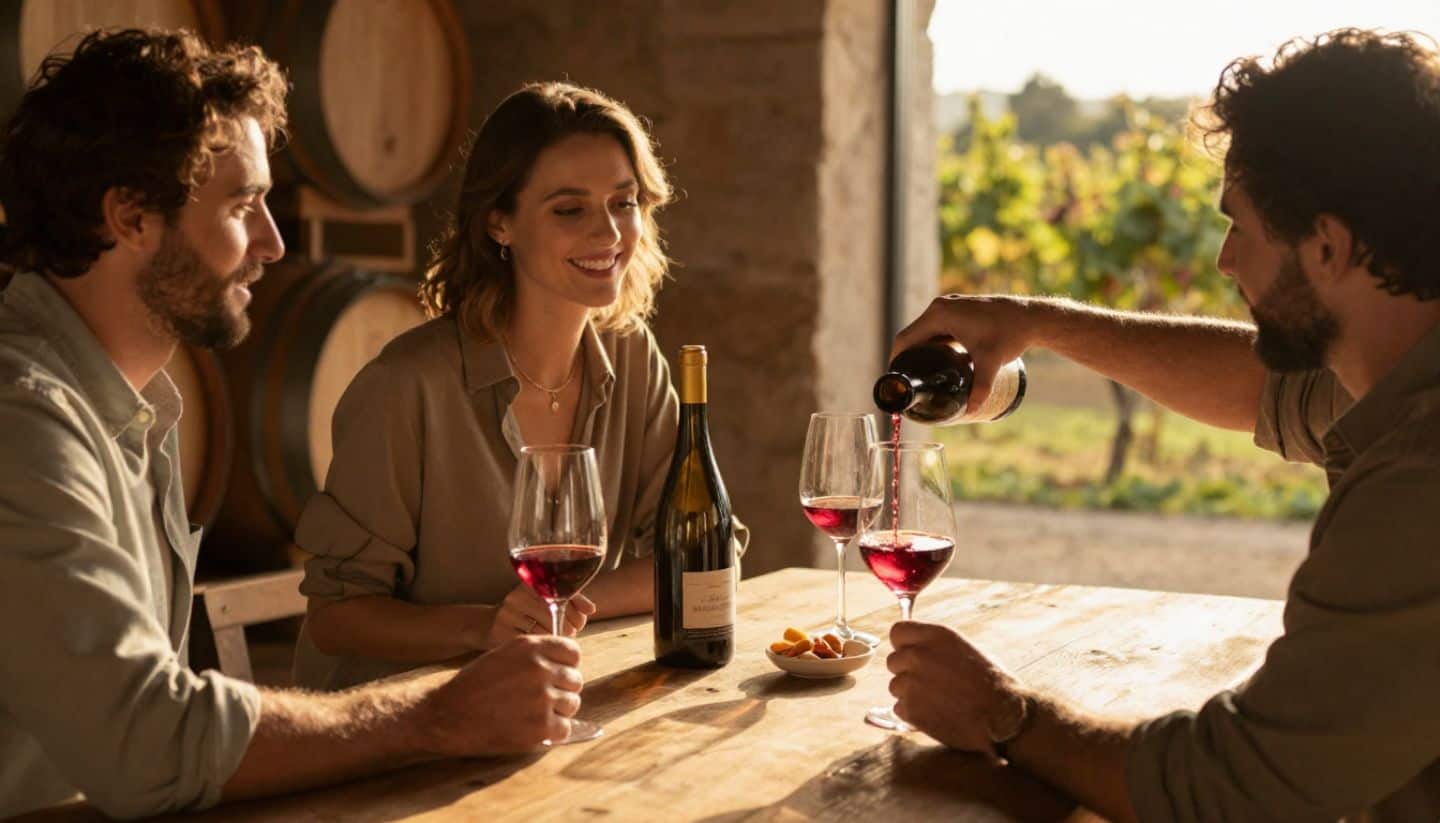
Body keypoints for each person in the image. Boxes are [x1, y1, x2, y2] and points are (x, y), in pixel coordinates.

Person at [0, 29, 581, 819]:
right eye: (242, 206)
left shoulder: (135, 405)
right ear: (130, 217)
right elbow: (147, 738)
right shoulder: (25, 419)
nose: (273, 243)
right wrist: (440, 715)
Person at [885, 28, 1440, 822]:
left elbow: (1237, 786)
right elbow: (1264, 388)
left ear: (1328, 246)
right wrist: (1033, 321)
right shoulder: (1400, 379)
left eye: (1239, 227)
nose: (1222, 260)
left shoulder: (1420, 479)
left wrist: (1002, 712)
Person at [292, 81, 745, 691]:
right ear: (499, 223)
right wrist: (484, 627)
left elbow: (706, 561)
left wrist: (556, 612)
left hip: (535, 704)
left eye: (624, 202)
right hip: (392, 730)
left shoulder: (632, 358)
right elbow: (337, 619)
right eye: (569, 209)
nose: (609, 234)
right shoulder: (406, 386)